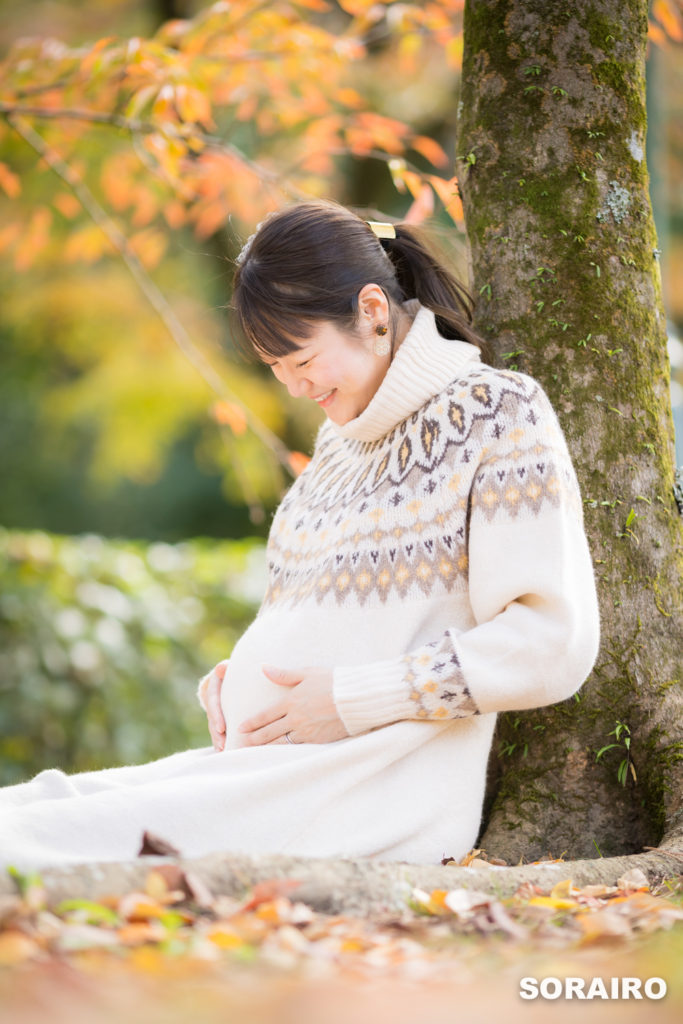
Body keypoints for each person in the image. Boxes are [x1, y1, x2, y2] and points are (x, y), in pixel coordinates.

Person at [0, 199, 600, 870]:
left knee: (35, 845)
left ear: (372, 312)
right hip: (272, 770)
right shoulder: (338, 445)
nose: (292, 388)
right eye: (275, 371)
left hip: (359, 791)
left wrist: (351, 699)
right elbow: (311, 617)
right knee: (29, 807)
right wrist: (232, 685)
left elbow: (550, 643)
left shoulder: (497, 414)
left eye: (301, 360)